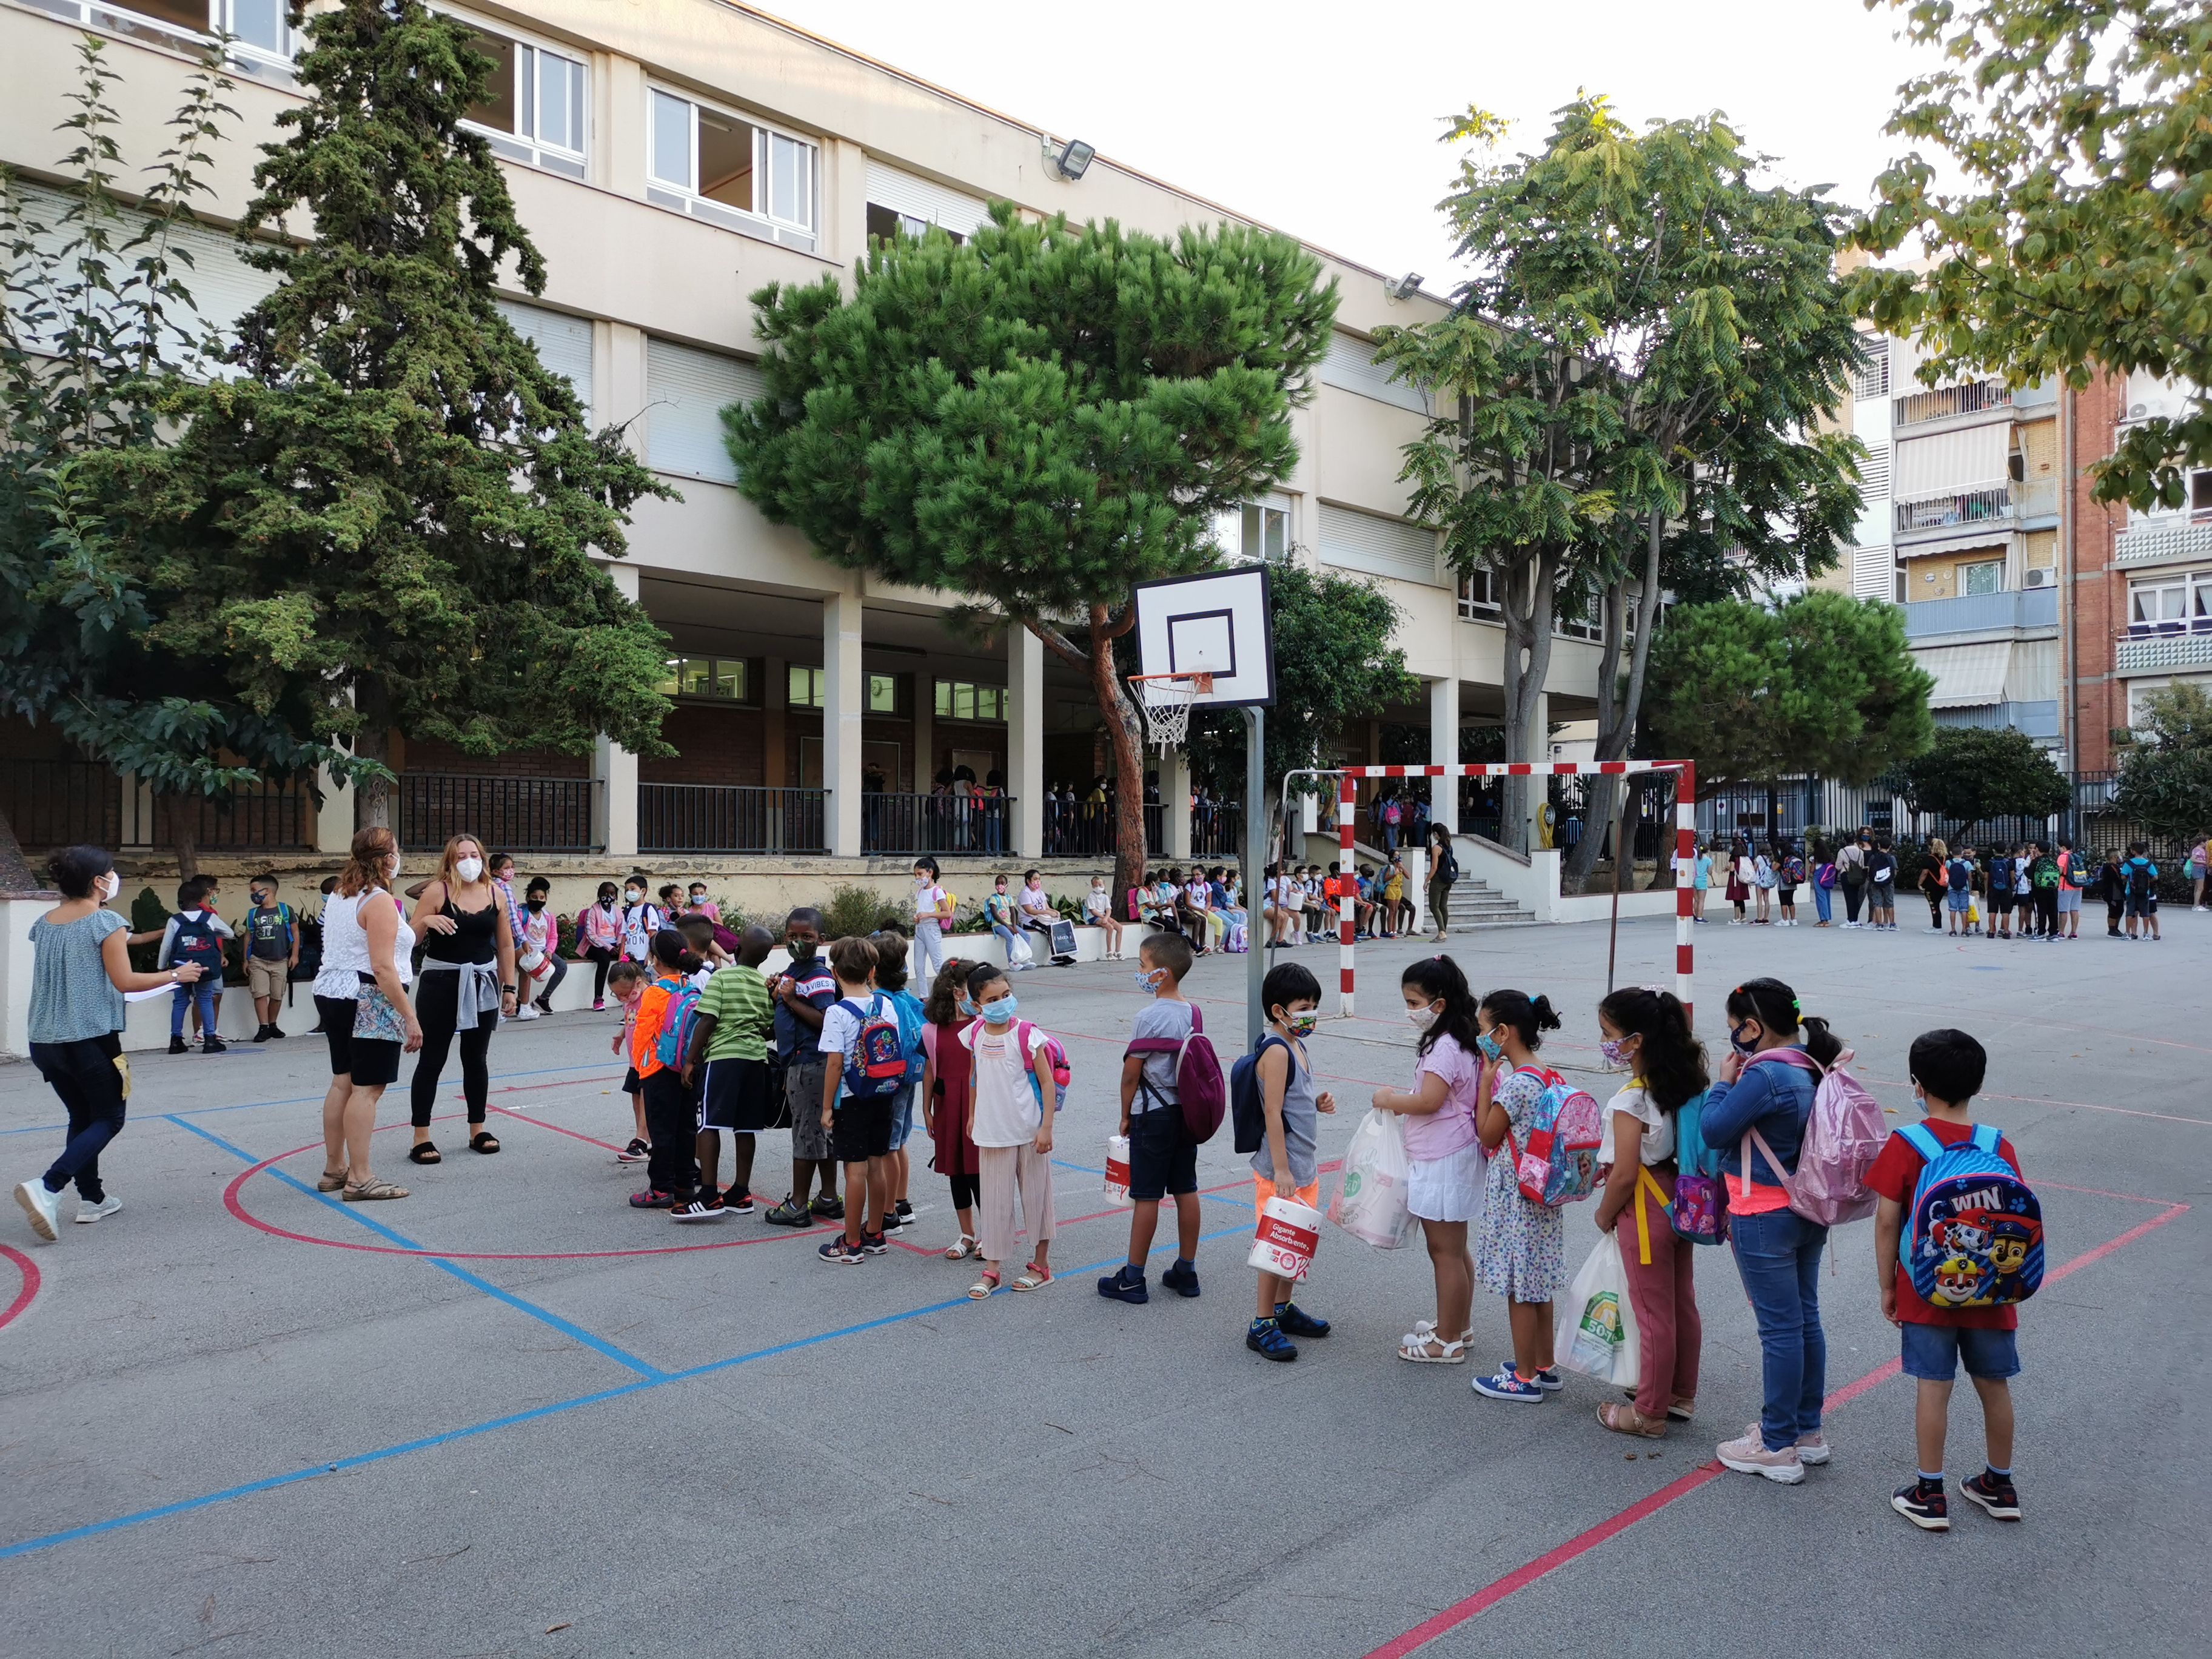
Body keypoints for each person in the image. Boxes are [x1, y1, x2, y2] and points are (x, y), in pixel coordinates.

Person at [1867, 1028, 2025, 1530]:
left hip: (1927, 1290)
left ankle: (1929, 1493)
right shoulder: (1997, 1144)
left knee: (1934, 1388)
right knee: (1994, 1388)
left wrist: (1889, 1285)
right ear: (1977, 1085)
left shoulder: (1907, 1143)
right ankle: (1999, 1485)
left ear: (1917, 1085)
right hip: (1992, 1292)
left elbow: (1888, 1219)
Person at [13, 846, 213, 1238]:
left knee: (82, 1117)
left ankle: (92, 1199)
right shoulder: (105, 921)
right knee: (109, 1118)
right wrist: (178, 974)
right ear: (97, 882)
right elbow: (126, 981)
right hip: (89, 1038)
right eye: (110, 872)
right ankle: (49, 1186)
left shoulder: (46, 922)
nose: (114, 877)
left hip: (45, 1042)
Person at [1701, 976, 1845, 1483]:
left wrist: (1723, 1083)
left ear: (1754, 1028)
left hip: (1763, 1213)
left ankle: (1777, 1443)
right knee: (1805, 1319)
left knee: (1779, 1329)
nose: (1732, 1038)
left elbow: (1715, 1130)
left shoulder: (1764, 1076)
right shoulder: (1809, 1064)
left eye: (1734, 1029)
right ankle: (1806, 1430)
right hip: (1807, 1207)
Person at [1589, 987, 1708, 1439]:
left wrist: (1604, 1215)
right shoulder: (1679, 1084)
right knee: (1680, 1303)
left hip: (1641, 1204)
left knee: (1651, 1312)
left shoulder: (1629, 1100)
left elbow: (1623, 1173)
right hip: (1678, 1195)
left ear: (1635, 1041)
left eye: (1608, 1034)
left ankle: (1648, 1412)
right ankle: (1680, 1394)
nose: (1605, 1042)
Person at [1372, 955, 1486, 1366]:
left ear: (1439, 1004)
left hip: (1444, 1156)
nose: (1410, 1010)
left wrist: (1389, 1100)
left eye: (1414, 1001)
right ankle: (1459, 1324)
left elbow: (1428, 1101)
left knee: (1444, 1252)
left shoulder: (1443, 1046)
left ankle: (1448, 1340)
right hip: (1455, 1152)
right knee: (1456, 1248)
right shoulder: (1464, 1038)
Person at [308, 826, 418, 1206]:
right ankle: (360, 1178)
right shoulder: (379, 900)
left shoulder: (341, 894)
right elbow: (383, 967)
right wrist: (410, 1016)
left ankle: (334, 1168)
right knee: (367, 1089)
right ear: (387, 859)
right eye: (396, 850)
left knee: (343, 1081)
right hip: (369, 996)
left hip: (333, 992)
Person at [1470, 989, 1566, 1403]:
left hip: (1516, 1197)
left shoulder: (1516, 1086)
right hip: (1543, 1194)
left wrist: (1487, 1082)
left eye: (1483, 1030)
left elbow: (1487, 1135)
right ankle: (1544, 1366)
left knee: (1518, 1288)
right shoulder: (1549, 1075)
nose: (1481, 1038)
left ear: (1504, 1032)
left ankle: (1524, 1378)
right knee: (1538, 1284)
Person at [1101, 931, 1202, 1304]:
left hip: (1153, 1114)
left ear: (1162, 974)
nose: (1140, 972)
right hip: (1185, 1114)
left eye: (1143, 966)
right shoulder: (1193, 1012)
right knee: (1186, 1189)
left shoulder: (1148, 1016)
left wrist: (1125, 1115)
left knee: (1147, 1197)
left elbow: (1131, 1074)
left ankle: (1133, 1278)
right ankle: (1186, 1270)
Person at [404, 835, 518, 1164]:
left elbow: (506, 944)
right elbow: (409, 938)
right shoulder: (436, 892)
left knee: (476, 1057)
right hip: (442, 981)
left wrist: (509, 987)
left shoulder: (495, 893)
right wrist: (425, 920)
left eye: (473, 854)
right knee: (433, 1060)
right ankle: (421, 1136)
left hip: (482, 981)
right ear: (450, 861)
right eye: (461, 856)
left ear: (482, 858)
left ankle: (477, 1129)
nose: (468, 860)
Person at [1244, 960, 1336, 1361]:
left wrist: (1315, 1101)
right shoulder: (1278, 1050)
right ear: (1279, 1011)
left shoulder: (1297, 1044)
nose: (1310, 1014)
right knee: (1276, 1245)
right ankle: (1262, 1322)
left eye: (1314, 1004)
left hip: (1303, 1164)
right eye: (1303, 1007)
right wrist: (1281, 1170)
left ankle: (1282, 1309)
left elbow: (1293, 1100)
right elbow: (1272, 1112)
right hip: (1283, 1169)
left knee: (1294, 1243)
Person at [960, 962, 1057, 1295]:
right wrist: (973, 1116)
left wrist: (1046, 1127)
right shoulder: (973, 1033)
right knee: (996, 1203)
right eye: (992, 999)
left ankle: (1041, 1266)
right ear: (976, 1005)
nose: (1002, 1002)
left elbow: (1047, 1082)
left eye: (1006, 995)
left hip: (1030, 1133)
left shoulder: (1028, 1033)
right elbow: (974, 1078)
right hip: (992, 1133)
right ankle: (992, 1271)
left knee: (1037, 1200)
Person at [813, 935, 903, 1261]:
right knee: (877, 1164)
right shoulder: (886, 1005)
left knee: (855, 1171)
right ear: (872, 971)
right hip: (883, 1094)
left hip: (851, 1099)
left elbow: (835, 1063)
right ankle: (875, 1233)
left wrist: (826, 1107)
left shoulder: (837, 1012)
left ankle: (850, 1243)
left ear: (835, 972)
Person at [682, 923, 777, 1219]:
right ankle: (740, 1192)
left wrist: (691, 1059)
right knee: (745, 1127)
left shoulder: (722, 977)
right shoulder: (763, 984)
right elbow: (768, 1028)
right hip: (755, 1061)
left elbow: (707, 1020)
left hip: (723, 1058)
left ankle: (709, 1194)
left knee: (708, 1124)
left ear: (736, 950)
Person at [763, 907, 841, 1225]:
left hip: (811, 1064)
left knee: (807, 1135)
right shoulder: (794, 972)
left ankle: (798, 1204)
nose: (798, 942)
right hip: (798, 1062)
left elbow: (827, 1022)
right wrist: (777, 996)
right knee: (819, 1134)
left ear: (820, 940)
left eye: (806, 937)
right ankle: (827, 1197)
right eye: (792, 937)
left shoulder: (818, 978)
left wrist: (792, 1001)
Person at [626, 928, 705, 1211]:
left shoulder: (655, 992)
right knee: (685, 1128)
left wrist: (639, 1070)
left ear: (655, 960)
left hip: (659, 1069)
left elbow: (643, 1035)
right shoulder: (690, 987)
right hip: (686, 1067)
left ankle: (660, 1188)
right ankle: (684, 1183)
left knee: (662, 1131)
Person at [920, 956, 983, 1259]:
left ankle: (990, 1233)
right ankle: (967, 1233)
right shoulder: (933, 1029)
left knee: (979, 1171)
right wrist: (927, 1107)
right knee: (956, 1172)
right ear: (957, 992)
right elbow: (930, 1068)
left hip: (978, 1104)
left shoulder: (983, 1024)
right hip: (948, 1105)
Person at [871, 929, 928, 1228]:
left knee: (888, 1146)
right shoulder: (907, 997)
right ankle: (902, 1201)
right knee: (900, 1140)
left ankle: (889, 1209)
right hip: (910, 1076)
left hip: (889, 1080)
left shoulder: (881, 1000)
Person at [158, 876, 232, 1054]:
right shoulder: (208, 918)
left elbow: (166, 946)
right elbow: (229, 933)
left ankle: (176, 1041)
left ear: (180, 901)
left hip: (181, 967)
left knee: (180, 1002)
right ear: (201, 900)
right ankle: (210, 1040)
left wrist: (161, 967)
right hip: (203, 967)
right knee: (205, 999)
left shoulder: (175, 920)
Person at [241, 874, 299, 1043]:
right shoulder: (253, 914)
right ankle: (263, 1027)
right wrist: (246, 959)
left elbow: (295, 932)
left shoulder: (285, 910)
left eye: (254, 890)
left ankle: (272, 1024)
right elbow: (247, 936)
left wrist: (294, 955)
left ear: (267, 891)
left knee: (277, 995)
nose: (252, 894)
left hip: (280, 959)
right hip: (258, 960)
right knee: (260, 993)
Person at [606, 962, 651, 1159]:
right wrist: (621, 1035)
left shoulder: (649, 997)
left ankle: (641, 1140)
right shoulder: (630, 1000)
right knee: (635, 1096)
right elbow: (630, 1021)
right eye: (616, 995)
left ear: (638, 983)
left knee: (645, 1097)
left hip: (648, 1059)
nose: (622, 998)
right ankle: (645, 1140)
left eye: (624, 994)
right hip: (635, 1060)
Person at [577, 880, 622, 1010]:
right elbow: (591, 935)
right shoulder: (593, 911)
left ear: (616, 897)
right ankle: (598, 999)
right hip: (595, 945)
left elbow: (621, 931)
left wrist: (619, 945)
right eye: (605, 893)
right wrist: (609, 947)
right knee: (604, 960)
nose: (608, 896)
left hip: (614, 944)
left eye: (612, 893)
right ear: (599, 895)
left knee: (628, 959)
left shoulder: (618, 912)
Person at [911, 857, 951, 980]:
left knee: (938, 965)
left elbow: (947, 913)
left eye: (920, 874)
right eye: (916, 875)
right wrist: (917, 917)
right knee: (918, 966)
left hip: (931, 929)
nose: (918, 878)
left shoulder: (937, 891)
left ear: (930, 873)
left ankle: (950, 990)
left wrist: (928, 915)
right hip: (920, 929)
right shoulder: (920, 892)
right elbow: (921, 909)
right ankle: (924, 996)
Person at [982, 872, 1028, 969]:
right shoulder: (993, 898)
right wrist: (1008, 926)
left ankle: (1024, 959)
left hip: (1010, 924)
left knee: (1026, 936)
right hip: (998, 924)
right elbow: (995, 914)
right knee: (1010, 938)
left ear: (1006, 885)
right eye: (998, 883)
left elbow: (1013, 913)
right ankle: (1012, 963)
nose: (1000, 885)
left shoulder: (1009, 898)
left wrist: (1014, 926)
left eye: (1002, 883)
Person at [2121, 841, 2160, 940]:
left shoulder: (2129, 863)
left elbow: (2123, 877)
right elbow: (2155, 877)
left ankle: (2128, 933)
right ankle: (2146, 934)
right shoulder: (2148, 864)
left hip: (2131, 891)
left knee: (2130, 912)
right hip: (2145, 891)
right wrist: (2147, 881)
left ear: (2134, 851)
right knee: (2145, 913)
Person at [618, 877, 665, 963]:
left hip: (643, 957)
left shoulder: (649, 909)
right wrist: (621, 956)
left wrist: (650, 954)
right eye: (627, 890)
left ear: (643, 891)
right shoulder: (627, 911)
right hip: (629, 958)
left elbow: (653, 933)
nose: (629, 892)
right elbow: (624, 936)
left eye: (632, 889)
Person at [1427, 822, 1459, 941]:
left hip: (1438, 879)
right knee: (1443, 906)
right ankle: (1443, 931)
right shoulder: (1448, 846)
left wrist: (1427, 880)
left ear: (1436, 834)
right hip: (1448, 879)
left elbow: (1434, 867)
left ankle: (1441, 932)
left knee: (1434, 906)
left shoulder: (1436, 848)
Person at [1084, 873, 1124, 960]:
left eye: (1100, 885)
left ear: (1104, 884)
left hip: (1103, 916)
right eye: (1096, 885)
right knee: (1110, 927)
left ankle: (1118, 951)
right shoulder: (1091, 896)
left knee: (1119, 927)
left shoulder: (1105, 897)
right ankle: (1109, 952)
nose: (1098, 887)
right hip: (1093, 917)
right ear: (1093, 886)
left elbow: (1108, 909)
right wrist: (1104, 918)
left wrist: (1107, 917)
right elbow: (1093, 911)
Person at [2025, 843, 2060, 940]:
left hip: (2039, 890)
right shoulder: (2053, 860)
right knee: (2053, 911)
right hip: (2053, 889)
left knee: (2041, 911)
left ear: (2038, 849)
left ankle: (2040, 933)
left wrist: (2030, 863)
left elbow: (2028, 874)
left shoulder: (2036, 861)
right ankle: (2053, 933)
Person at [2054, 837, 2088, 939]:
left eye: (2060, 847)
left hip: (2065, 886)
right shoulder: (2076, 856)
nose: (2059, 849)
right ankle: (2074, 932)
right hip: (2078, 886)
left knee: (2063, 910)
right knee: (2075, 910)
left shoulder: (2062, 857)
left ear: (2063, 847)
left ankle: (2061, 932)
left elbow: (2060, 872)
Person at [1984, 842, 2016, 940]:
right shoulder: (2008, 862)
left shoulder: (1990, 862)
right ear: (2006, 851)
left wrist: (1986, 890)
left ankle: (1991, 932)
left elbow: (1986, 877)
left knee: (1992, 911)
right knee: (2005, 912)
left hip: (1993, 889)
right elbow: (2013, 877)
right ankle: (2006, 932)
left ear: (1994, 851)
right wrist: (2012, 888)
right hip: (2006, 889)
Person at [1868, 836, 1899, 931]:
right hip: (1888, 883)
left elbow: (1869, 870)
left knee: (1877, 903)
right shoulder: (1892, 858)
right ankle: (1892, 924)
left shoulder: (1873, 857)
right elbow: (1895, 871)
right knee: (1889, 902)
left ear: (1879, 845)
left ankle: (1879, 924)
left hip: (1876, 883)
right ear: (1890, 847)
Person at [1918, 838, 1949, 933]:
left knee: (1934, 906)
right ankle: (1936, 925)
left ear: (1931, 847)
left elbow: (1925, 873)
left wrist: (1919, 883)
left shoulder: (1929, 859)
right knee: (1937, 905)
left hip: (1931, 886)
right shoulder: (1946, 858)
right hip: (1943, 885)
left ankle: (1937, 927)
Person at [1944, 843, 1975, 936]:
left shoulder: (1948, 863)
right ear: (1962, 852)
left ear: (1951, 853)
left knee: (1953, 909)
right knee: (1964, 909)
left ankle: (1953, 930)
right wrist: (1969, 889)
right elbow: (1970, 878)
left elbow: (1946, 875)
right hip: (1964, 888)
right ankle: (1964, 930)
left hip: (1952, 888)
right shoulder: (1967, 863)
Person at [1838, 831, 1868, 927]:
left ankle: (1850, 920)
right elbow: (1862, 865)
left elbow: (1838, 866)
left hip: (1846, 875)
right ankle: (1855, 919)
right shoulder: (1860, 851)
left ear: (1845, 840)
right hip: (1857, 876)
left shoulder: (1842, 851)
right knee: (1855, 898)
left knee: (1849, 898)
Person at [2094, 846, 2126, 937]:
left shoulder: (2115, 867)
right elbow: (2118, 879)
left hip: (2116, 893)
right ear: (2114, 857)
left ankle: (2115, 928)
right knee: (2114, 911)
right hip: (2113, 893)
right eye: (2119, 855)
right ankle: (2112, 930)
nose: (2121, 857)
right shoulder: (2111, 867)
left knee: (2119, 910)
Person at [1809, 841, 1835, 928]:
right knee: (1826, 897)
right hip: (1826, 878)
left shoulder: (1815, 859)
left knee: (1821, 898)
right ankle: (1827, 917)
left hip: (1818, 877)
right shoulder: (1829, 857)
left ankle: (1823, 920)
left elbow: (1812, 870)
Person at [1725, 843, 1750, 925]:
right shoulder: (1745, 857)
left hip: (1735, 879)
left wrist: (1727, 868)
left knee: (1736, 898)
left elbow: (1732, 869)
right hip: (1743, 879)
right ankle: (1743, 917)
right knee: (1741, 898)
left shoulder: (1733, 857)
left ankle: (1736, 918)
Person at [1751, 845, 1774, 925]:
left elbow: (1755, 868)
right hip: (1767, 881)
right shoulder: (1771, 858)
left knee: (1759, 900)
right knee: (1767, 899)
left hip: (1759, 881)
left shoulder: (1759, 858)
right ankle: (1766, 918)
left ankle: (1759, 918)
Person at [2190, 833, 2208, 911]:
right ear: (2202, 842)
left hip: (2200, 869)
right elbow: (2193, 859)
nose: (2207, 844)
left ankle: (2197, 904)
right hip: (2199, 869)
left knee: (2197, 888)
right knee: (2200, 888)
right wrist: (2204, 862)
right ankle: (2195, 906)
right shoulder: (2197, 849)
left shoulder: (2202, 850)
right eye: (2206, 842)